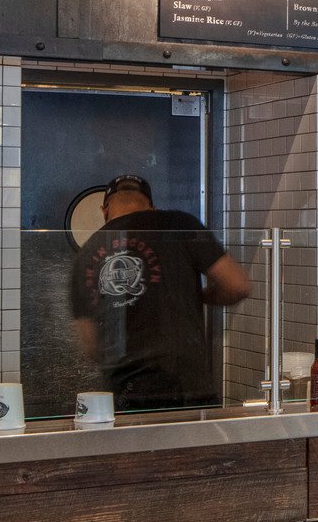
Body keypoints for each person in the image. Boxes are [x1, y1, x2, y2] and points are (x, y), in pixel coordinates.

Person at [69, 174, 252, 412]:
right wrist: (197, 295)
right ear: (152, 208)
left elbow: (91, 344)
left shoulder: (86, 254)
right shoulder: (179, 224)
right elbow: (237, 285)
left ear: (104, 211)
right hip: (187, 385)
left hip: (126, 393)